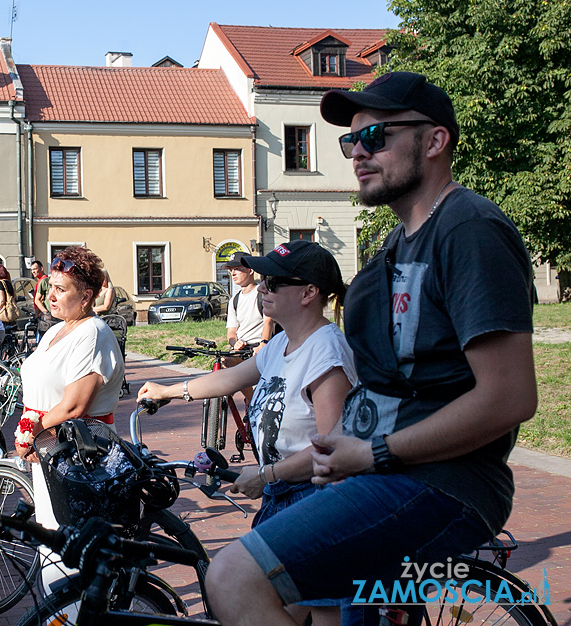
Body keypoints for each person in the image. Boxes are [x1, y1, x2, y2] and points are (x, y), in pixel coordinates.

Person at [203, 72, 538, 626]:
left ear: (434, 142)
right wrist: (300, 465)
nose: (357, 152)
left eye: (377, 136)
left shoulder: (468, 230)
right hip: (378, 473)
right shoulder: (395, 243)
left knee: (234, 577)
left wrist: (376, 454)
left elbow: (509, 396)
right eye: (349, 141)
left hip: (439, 482)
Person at [139, 241, 354, 626]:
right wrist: (168, 391)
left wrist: (266, 474)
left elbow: (332, 449)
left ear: (309, 293)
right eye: (264, 280)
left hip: (317, 500)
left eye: (273, 281)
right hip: (282, 496)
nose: (263, 289)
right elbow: (230, 378)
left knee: (316, 611)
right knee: (262, 603)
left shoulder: (326, 352)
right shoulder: (282, 343)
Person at [14, 246, 126, 594]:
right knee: (54, 538)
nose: (51, 295)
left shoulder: (91, 333)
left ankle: (73, 614)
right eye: (50, 287)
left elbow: (75, 406)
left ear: (87, 296)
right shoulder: (57, 330)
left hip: (77, 453)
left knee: (68, 548)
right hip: (53, 448)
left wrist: (28, 432)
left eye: (61, 289)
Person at [223, 252, 275, 404]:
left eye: (237, 269)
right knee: (225, 363)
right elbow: (231, 332)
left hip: (260, 346)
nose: (233, 273)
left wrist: (264, 343)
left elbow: (268, 322)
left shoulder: (262, 293)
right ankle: (253, 402)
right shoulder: (234, 300)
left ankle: (254, 403)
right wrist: (235, 343)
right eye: (230, 270)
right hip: (242, 348)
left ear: (250, 270)